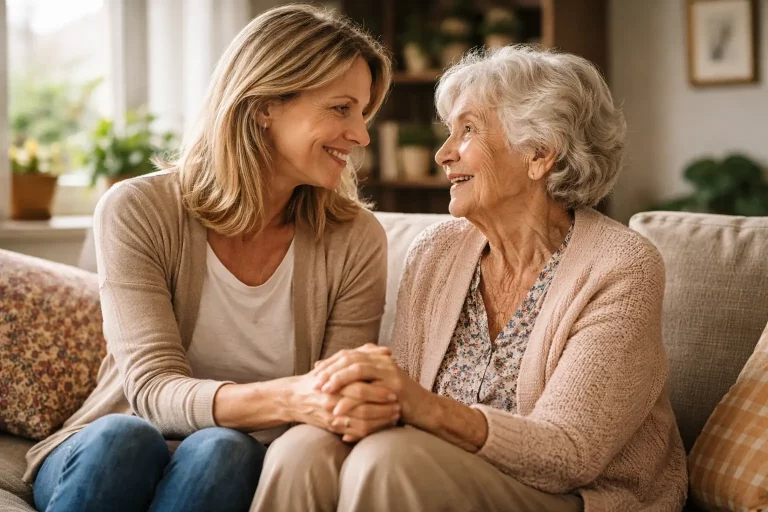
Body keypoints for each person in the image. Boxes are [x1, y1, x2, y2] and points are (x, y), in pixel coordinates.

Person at [251, 46, 688, 512]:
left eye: (469, 130)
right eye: (449, 132)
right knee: (304, 448)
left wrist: (420, 406)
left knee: (389, 459)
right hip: (445, 470)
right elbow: (402, 406)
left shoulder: (620, 265)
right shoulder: (437, 251)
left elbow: (569, 455)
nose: (442, 154)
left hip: (577, 497)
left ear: (538, 154)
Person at [24, 5, 397, 512]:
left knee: (224, 448)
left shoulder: (355, 238)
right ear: (264, 104)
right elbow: (152, 393)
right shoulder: (138, 210)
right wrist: (291, 396)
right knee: (125, 439)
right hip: (108, 454)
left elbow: (334, 400)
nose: (362, 135)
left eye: (363, 113)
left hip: (231, 466)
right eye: (341, 108)